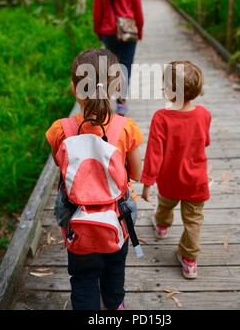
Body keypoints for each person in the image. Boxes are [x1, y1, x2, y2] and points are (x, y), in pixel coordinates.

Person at [46, 48, 143, 310]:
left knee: (83, 278)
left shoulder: (60, 130)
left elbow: (62, 165)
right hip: (117, 219)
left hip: (78, 222)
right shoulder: (126, 128)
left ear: (74, 88)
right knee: (114, 271)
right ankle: (115, 306)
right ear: (116, 88)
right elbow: (136, 174)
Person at [141, 61, 211, 279]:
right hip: (196, 181)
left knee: (165, 205)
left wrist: (147, 183)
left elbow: (154, 154)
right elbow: (204, 142)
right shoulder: (204, 114)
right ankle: (189, 261)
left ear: (170, 91)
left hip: (170, 180)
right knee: (193, 221)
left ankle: (161, 227)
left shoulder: (161, 117)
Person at [93, 0, 144, 116]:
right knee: (125, 66)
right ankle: (121, 103)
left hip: (108, 33)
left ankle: (106, 99)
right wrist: (140, 30)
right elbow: (138, 12)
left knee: (110, 67)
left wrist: (99, 32)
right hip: (129, 32)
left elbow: (97, 14)